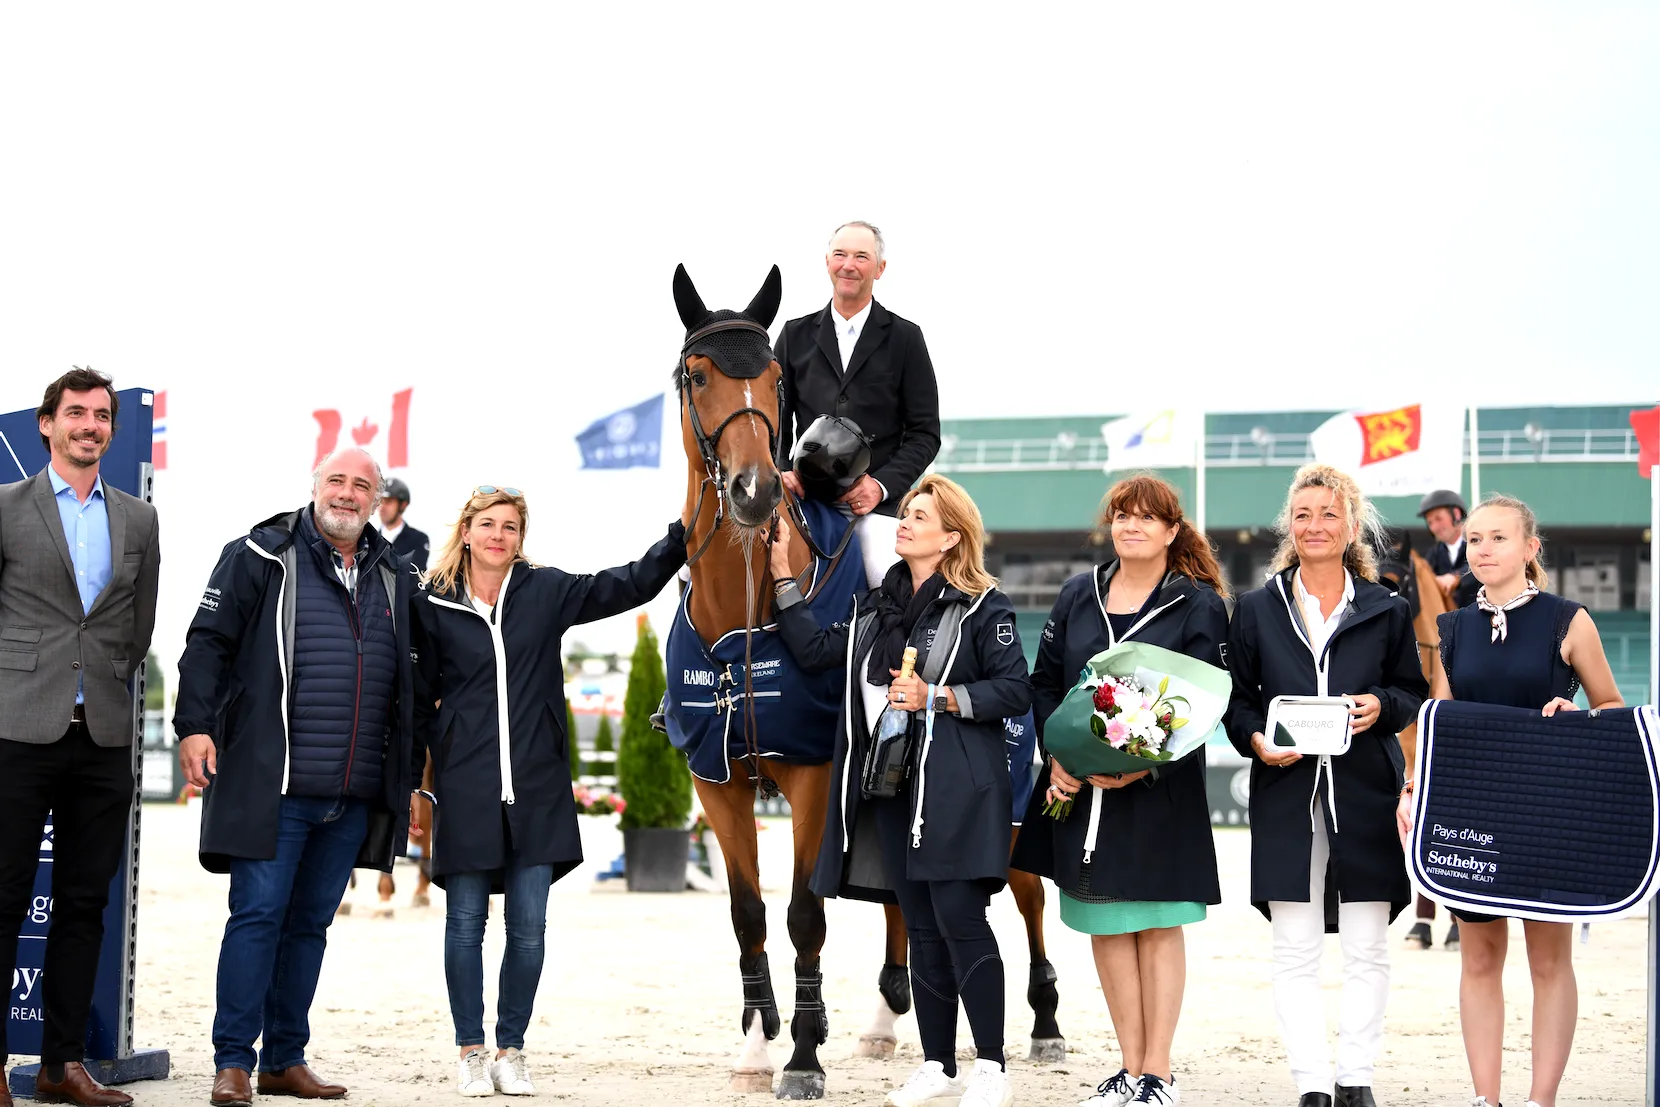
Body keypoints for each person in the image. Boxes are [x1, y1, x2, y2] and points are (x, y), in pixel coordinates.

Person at [409, 486, 686, 1098]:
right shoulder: (431, 602)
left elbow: (628, 584)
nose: (498, 536)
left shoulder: (545, 590)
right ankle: (471, 1051)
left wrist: (683, 533)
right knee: (463, 925)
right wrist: (421, 780)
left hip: (536, 787)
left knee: (529, 927)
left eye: (510, 527)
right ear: (467, 529)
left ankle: (511, 1049)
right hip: (467, 786)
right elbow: (414, 700)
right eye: (488, 525)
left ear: (520, 536)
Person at [767, 474, 1030, 1107]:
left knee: (963, 922)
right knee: (923, 927)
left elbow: (1015, 688)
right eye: (905, 514)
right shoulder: (876, 603)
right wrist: (782, 582)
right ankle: (938, 1066)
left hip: (960, 789)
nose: (903, 524)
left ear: (951, 537)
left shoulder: (983, 605)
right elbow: (817, 650)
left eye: (918, 516)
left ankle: (990, 1066)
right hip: (889, 788)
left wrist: (940, 697)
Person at [174, 446, 422, 1107]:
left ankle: (285, 1057)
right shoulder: (259, 554)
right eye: (336, 480)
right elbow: (207, 643)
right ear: (315, 487)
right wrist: (193, 725)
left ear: (376, 500)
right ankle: (234, 1062)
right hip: (273, 784)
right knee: (256, 916)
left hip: (350, 791)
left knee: (310, 925)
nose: (347, 492)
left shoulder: (394, 572)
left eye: (361, 484)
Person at [1396, 494, 1622, 1107]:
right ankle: (1485, 1100)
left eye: (1498, 538)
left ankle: (1540, 1101)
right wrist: (1413, 789)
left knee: (1549, 962)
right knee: (1479, 959)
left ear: (1530, 548)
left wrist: (1578, 713)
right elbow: (1440, 722)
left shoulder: (1567, 620)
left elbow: (1613, 710)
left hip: (1548, 813)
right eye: (1475, 540)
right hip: (1472, 817)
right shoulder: (1451, 628)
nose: (1484, 549)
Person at [1011, 475, 1228, 1107]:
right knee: (1106, 924)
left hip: (1159, 792)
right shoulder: (1080, 594)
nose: (1130, 526)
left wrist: (1143, 766)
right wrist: (1061, 755)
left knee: (1157, 925)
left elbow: (1205, 701)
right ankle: (1128, 1069)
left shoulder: (1197, 604)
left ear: (1171, 530)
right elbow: (1045, 682)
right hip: (1080, 792)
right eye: (1121, 516)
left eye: (1145, 518)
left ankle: (1158, 1074)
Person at [1224, 464, 1428, 1107]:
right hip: (1285, 797)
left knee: (1368, 946)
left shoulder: (1387, 609)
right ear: (1290, 525)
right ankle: (1313, 1084)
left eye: (1329, 514)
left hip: (1364, 793)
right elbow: (1238, 701)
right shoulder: (1256, 609)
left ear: (1352, 525)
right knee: (1295, 948)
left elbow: (1409, 691)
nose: (1315, 526)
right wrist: (1254, 740)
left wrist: (1381, 707)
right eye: (1304, 515)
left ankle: (1356, 1079)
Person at [0, 368, 160, 1107]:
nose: (90, 425)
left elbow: (138, 621)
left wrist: (107, 676)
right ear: (46, 424)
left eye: (101, 416)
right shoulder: (6, 507)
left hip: (101, 732)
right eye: (76, 414)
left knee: (83, 903)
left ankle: (64, 1066)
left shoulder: (138, 519)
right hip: (17, 729)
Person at [775, 220, 941, 588]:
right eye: (840, 254)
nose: (849, 265)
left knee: (889, 585)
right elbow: (775, 423)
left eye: (861, 257)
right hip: (801, 500)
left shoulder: (905, 338)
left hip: (873, 509)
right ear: (827, 262)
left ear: (879, 269)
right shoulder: (793, 335)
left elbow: (925, 435)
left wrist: (879, 486)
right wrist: (781, 471)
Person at [1418, 489, 1478, 609]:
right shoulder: (1433, 554)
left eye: (1439, 519)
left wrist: (1455, 577)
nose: (1434, 527)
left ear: (1456, 514)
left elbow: (1479, 565)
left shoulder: (1478, 543)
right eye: (1430, 523)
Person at [377, 477, 431, 571]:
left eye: (388, 502)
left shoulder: (419, 539)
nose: (382, 507)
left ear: (403, 505)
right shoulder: (369, 539)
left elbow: (414, 576)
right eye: (380, 501)